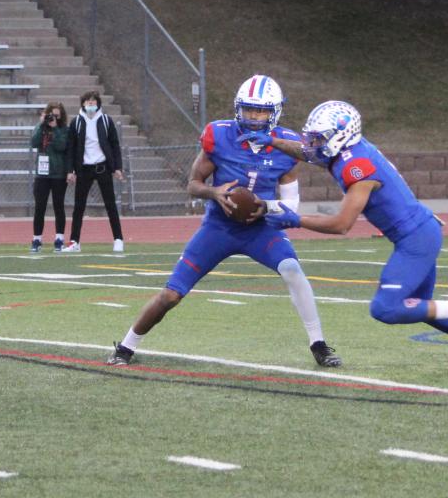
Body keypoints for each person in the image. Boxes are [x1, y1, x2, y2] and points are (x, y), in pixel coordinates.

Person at [108, 75, 342, 369]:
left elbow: (291, 204)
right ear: (237, 108)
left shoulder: (288, 146)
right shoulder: (218, 135)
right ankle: (126, 346)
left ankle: (318, 343)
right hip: (218, 227)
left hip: (261, 228)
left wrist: (264, 207)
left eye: (262, 111)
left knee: (293, 269)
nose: (255, 117)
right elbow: (193, 184)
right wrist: (213, 192)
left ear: (275, 112)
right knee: (171, 294)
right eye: (249, 110)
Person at [261, 99, 448, 368]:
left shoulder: (358, 167)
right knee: (418, 305)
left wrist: (296, 220)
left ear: (339, 136)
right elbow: (307, 152)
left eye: (320, 138)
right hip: (421, 231)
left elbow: (342, 224)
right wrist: (270, 141)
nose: (313, 143)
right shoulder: (348, 150)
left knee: (386, 308)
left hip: (416, 238)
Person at [63, 90, 125, 254]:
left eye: (94, 102)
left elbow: (114, 145)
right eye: (88, 102)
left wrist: (117, 167)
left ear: (98, 104)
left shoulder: (105, 121)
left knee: (110, 204)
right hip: (84, 168)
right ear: (83, 104)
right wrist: (70, 170)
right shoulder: (76, 122)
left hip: (102, 167)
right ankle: (75, 241)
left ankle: (118, 239)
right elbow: (71, 148)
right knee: (79, 207)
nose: (91, 105)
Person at [28, 101, 71, 253]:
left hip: (58, 173)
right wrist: (42, 125)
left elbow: (62, 146)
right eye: (52, 116)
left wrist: (55, 129)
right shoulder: (41, 128)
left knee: (59, 206)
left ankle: (59, 238)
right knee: (40, 207)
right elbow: (33, 142)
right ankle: (37, 239)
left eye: (57, 116)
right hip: (42, 173)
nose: (54, 119)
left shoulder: (65, 130)